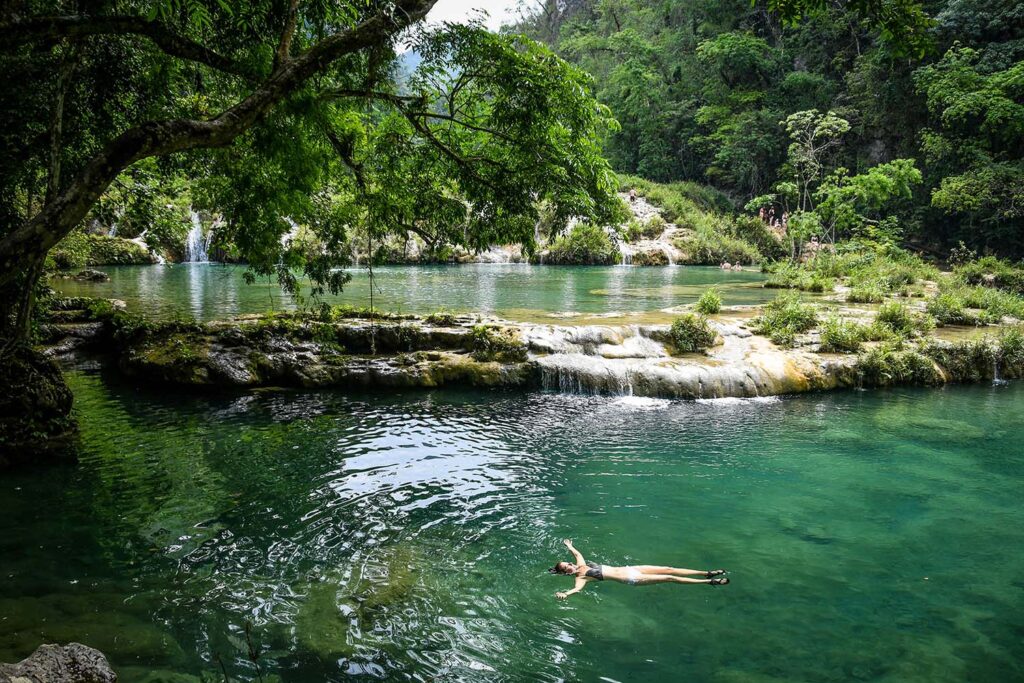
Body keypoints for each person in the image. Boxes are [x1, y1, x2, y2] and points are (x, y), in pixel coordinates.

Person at [549, 539, 728, 599]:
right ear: (567, 573)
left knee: (669, 568)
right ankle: (708, 582)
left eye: (569, 563)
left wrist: (569, 546)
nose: (571, 566)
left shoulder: (581, 564)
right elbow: (576, 589)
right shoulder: (581, 578)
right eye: (568, 568)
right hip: (632, 579)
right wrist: (566, 594)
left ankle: (706, 572)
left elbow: (576, 553)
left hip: (632, 568)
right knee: (669, 578)